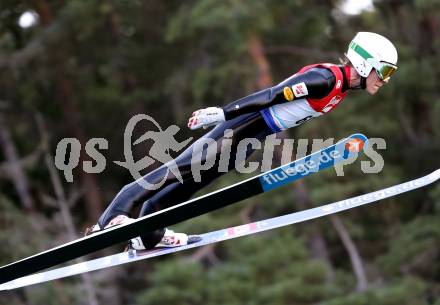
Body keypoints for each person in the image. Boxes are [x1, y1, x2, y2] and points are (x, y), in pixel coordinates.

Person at [86, 32, 398, 250]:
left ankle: (148, 232)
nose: (384, 80)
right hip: (245, 123)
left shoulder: (340, 89)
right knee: (184, 166)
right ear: (363, 62)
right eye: (383, 70)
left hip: (258, 133)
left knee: (197, 179)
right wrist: (222, 114)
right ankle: (114, 213)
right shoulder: (325, 79)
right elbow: (270, 95)